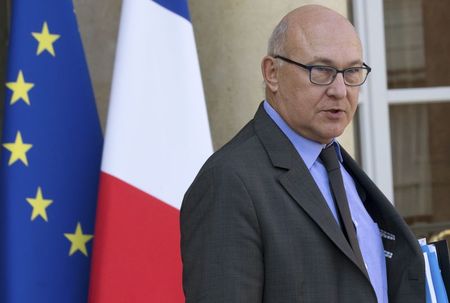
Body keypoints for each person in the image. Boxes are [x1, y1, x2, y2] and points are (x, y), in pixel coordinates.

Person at [180, 5, 425, 303]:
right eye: (321, 70)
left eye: (352, 72)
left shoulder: (338, 164)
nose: (339, 90)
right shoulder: (229, 181)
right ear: (272, 73)